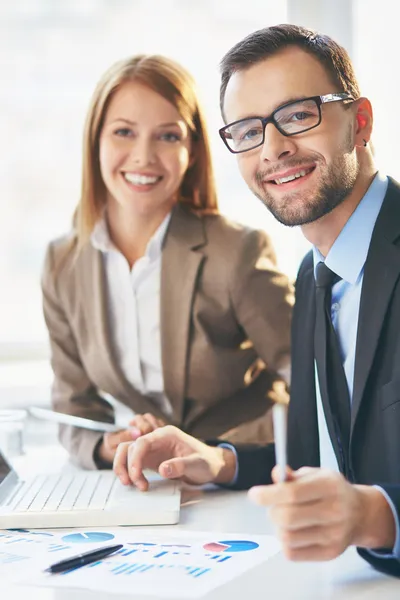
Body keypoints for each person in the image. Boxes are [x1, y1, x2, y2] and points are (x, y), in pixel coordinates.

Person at [113, 26, 400, 577]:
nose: (273, 149)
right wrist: (216, 460)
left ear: (360, 122)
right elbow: (323, 455)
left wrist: (376, 517)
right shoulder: (315, 276)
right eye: (248, 130)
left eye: (297, 115)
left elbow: (365, 498)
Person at [41, 54, 293, 470]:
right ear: (95, 141)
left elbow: (313, 382)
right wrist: (110, 445)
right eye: (124, 132)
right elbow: (74, 405)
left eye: (167, 136)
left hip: (243, 472)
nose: (143, 157)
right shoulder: (62, 263)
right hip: (149, 479)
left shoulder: (236, 252)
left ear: (191, 151)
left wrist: (223, 455)